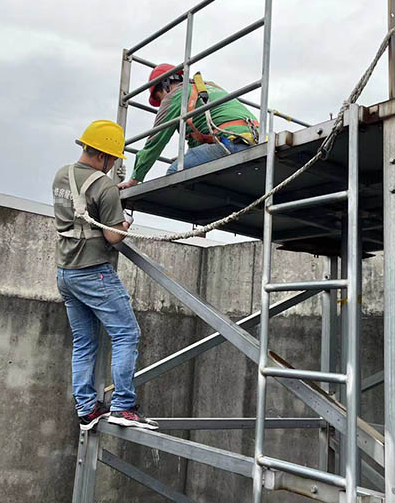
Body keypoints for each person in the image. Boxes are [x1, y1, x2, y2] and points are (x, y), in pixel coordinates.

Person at [53, 119, 158, 431]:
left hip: (65, 272)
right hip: (93, 272)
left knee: (84, 342)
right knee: (127, 333)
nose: (112, 166)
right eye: (112, 160)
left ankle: (87, 410)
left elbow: (86, 202)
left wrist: (113, 192)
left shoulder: (62, 174)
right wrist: (125, 220)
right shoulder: (105, 186)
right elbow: (112, 237)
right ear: (104, 156)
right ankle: (123, 407)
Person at [118, 64, 260, 189]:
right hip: (253, 141)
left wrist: (135, 179)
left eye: (160, 97)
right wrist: (187, 156)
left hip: (230, 144)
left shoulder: (176, 95)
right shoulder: (205, 88)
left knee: (175, 174)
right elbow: (201, 133)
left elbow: (156, 140)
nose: (162, 103)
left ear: (166, 85)